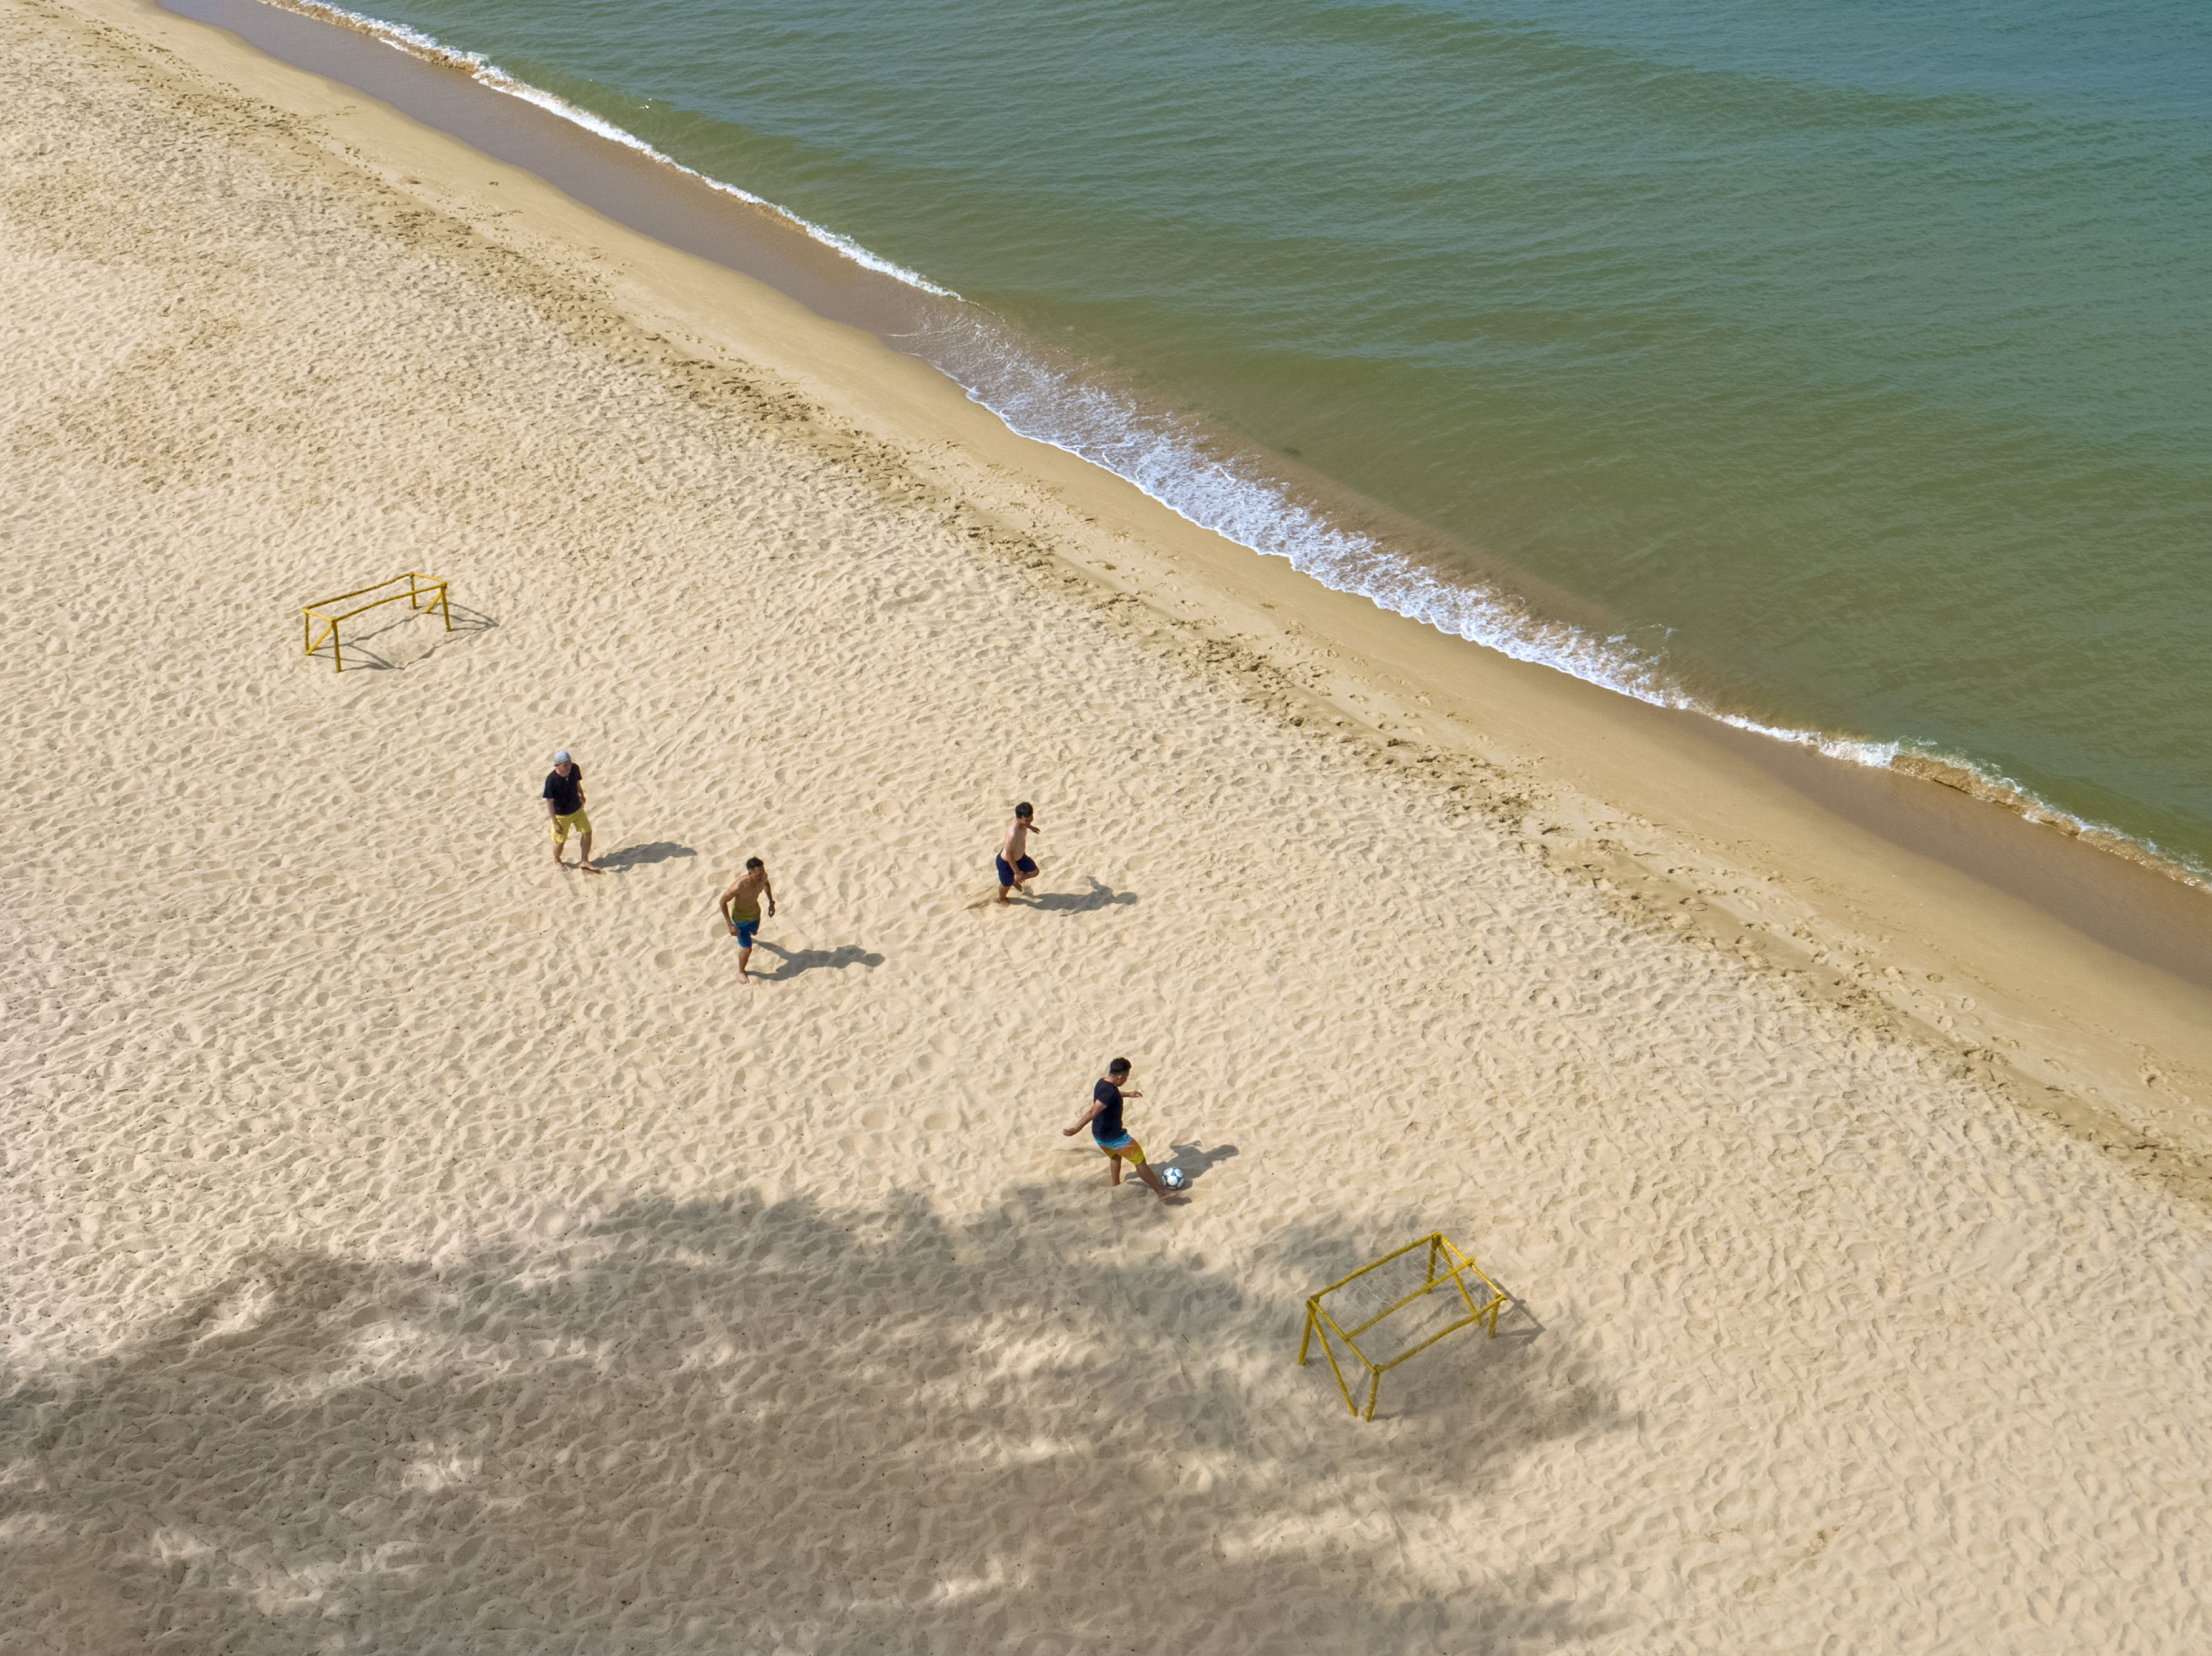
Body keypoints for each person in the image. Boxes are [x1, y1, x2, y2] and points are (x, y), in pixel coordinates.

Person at [1064, 1058, 1176, 1202]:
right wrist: (1075, 1129)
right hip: (1115, 1138)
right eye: (1127, 1077)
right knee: (1140, 1160)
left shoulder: (1102, 1083)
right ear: (1120, 1077)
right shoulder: (1109, 1093)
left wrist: (1129, 1094)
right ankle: (1161, 1193)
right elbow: (1093, 1112)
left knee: (1115, 1156)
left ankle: (1116, 1185)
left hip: (1099, 1136)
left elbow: (1112, 1094)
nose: (1127, 1079)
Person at [719, 856, 777, 982]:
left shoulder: (764, 876)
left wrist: (771, 903)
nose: (761, 876)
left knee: (754, 932)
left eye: (762, 872)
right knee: (747, 949)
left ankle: (749, 936)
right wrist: (730, 925)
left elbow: (766, 884)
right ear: (750, 873)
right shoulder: (739, 886)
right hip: (741, 919)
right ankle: (741, 971)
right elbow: (723, 901)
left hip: (755, 913)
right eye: (758, 874)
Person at [543, 750, 599, 873]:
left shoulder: (575, 769)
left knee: (587, 833)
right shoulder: (551, 780)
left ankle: (585, 860)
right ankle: (557, 861)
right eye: (565, 765)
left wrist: (581, 793)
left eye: (569, 763)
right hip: (562, 815)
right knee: (561, 841)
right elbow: (549, 802)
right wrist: (555, 822)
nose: (569, 767)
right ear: (558, 766)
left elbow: (577, 782)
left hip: (577, 809)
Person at [995, 802, 1041, 903]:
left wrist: (1031, 827)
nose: (1029, 822)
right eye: (1027, 820)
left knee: (1035, 872)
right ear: (1018, 818)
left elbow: (1026, 824)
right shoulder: (1013, 834)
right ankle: (1001, 898)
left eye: (1031, 819)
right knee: (1006, 884)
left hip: (1021, 858)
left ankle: (1014, 881)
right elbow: (1009, 854)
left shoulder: (1024, 823)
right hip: (1007, 863)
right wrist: (1017, 873)